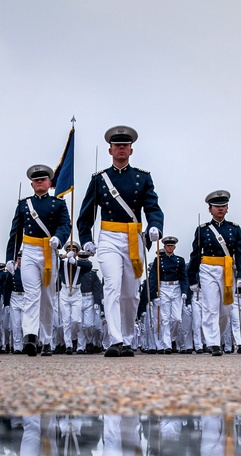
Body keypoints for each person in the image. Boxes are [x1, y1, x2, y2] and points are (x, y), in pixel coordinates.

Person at [76, 125, 163, 357]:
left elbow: (153, 208)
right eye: (117, 145)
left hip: (134, 238)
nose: (121, 149)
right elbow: (85, 214)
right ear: (110, 150)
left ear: (131, 151)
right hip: (109, 238)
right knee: (112, 286)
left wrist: (155, 226)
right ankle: (115, 340)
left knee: (131, 294)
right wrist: (86, 239)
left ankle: (127, 338)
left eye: (125, 145)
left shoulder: (143, 178)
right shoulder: (99, 179)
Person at [6, 164, 72, 356]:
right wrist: (11, 257)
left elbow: (65, 225)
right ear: (32, 184)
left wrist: (59, 238)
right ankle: (31, 337)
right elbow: (15, 234)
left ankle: (46, 340)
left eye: (43, 180)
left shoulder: (59, 204)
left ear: (49, 183)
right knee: (32, 295)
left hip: (49, 251)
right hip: (29, 251)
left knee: (48, 298)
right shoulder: (24, 205)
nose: (39, 183)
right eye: (36, 181)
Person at [188, 190, 241, 356]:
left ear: (227, 209)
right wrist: (192, 278)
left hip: (227, 270)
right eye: (216, 206)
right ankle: (213, 343)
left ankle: (216, 335)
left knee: (225, 310)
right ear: (210, 209)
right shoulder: (202, 230)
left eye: (223, 206)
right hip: (208, 269)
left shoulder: (235, 229)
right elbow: (195, 255)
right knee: (210, 307)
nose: (220, 209)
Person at [148, 236, 189, 354]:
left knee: (177, 319)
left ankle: (171, 338)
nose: (170, 247)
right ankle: (167, 345)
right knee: (165, 319)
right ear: (164, 247)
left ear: (174, 247)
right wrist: (154, 294)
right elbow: (153, 278)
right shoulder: (158, 260)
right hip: (163, 288)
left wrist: (184, 291)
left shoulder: (179, 261)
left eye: (172, 246)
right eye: (167, 245)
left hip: (176, 288)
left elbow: (183, 277)